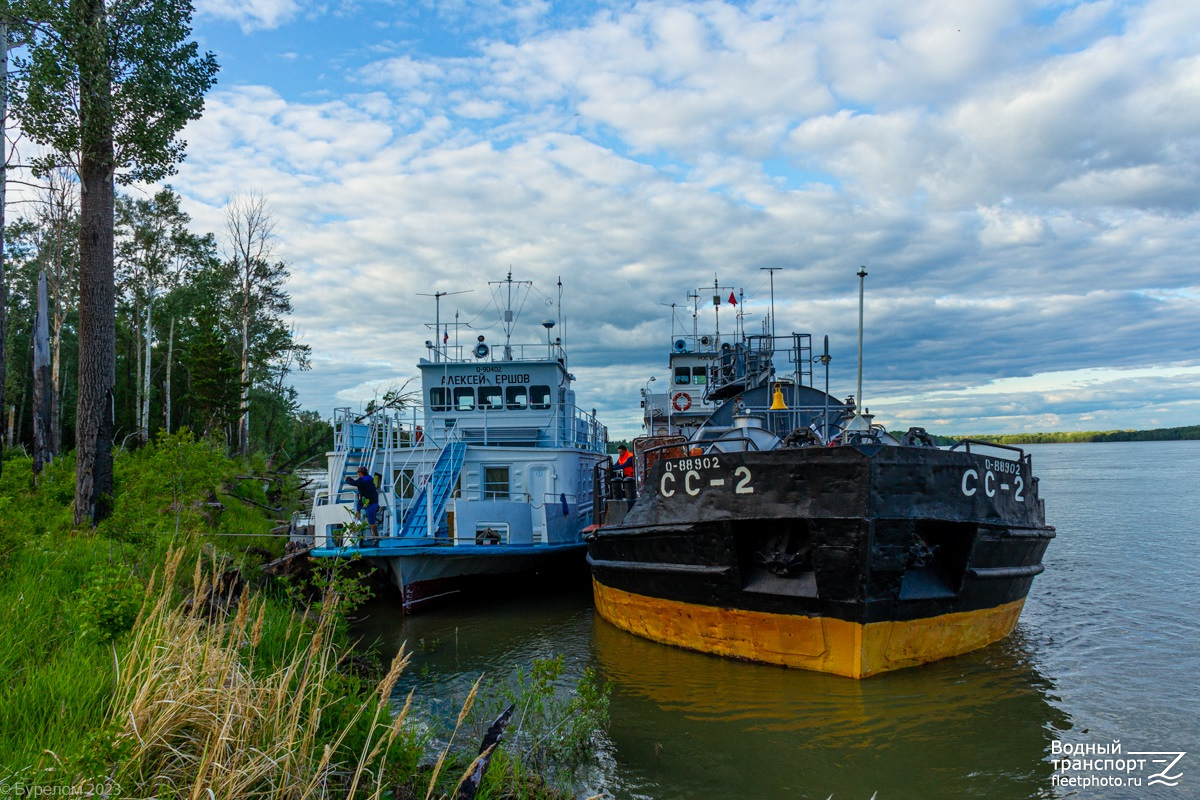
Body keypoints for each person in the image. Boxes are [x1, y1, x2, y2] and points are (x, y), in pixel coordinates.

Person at [344, 466, 380, 541]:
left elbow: (353, 483)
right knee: (358, 507)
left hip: (371, 503)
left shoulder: (362, 480)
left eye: (358, 473)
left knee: (371, 521)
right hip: (369, 500)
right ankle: (358, 520)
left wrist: (347, 478)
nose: (357, 474)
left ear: (360, 473)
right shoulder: (369, 478)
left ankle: (376, 537)